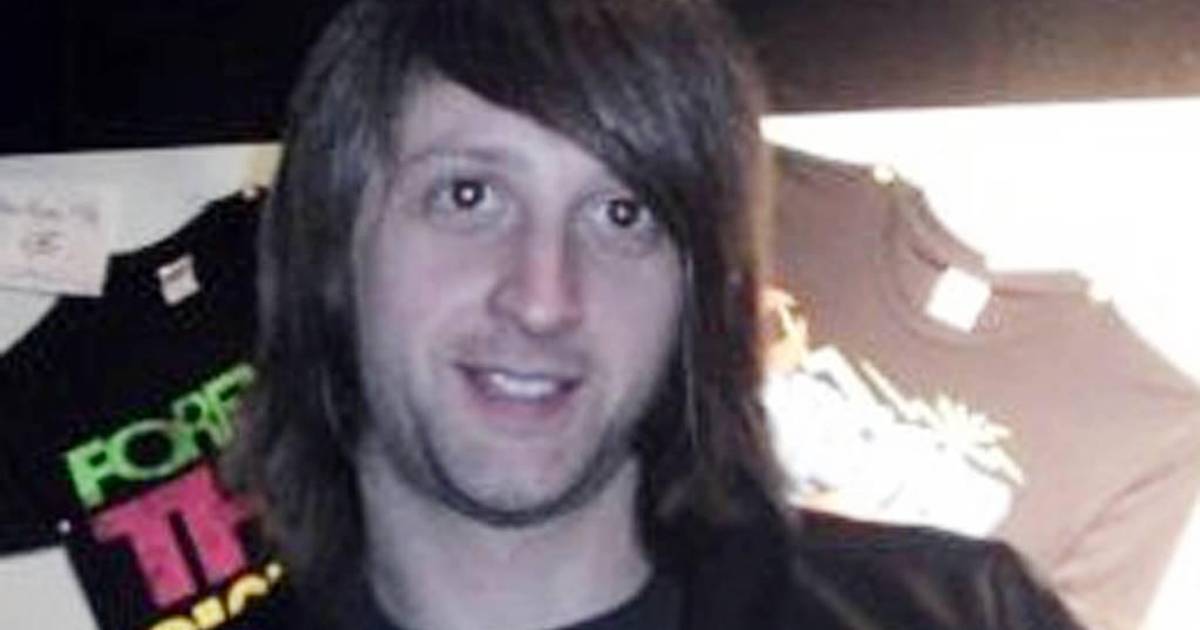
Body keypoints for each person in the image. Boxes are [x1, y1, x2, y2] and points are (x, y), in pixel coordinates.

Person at [226, 1, 1084, 628]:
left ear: (701, 291)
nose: (544, 299)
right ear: (329, 246)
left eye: (623, 214)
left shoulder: (961, 615)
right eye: (469, 195)